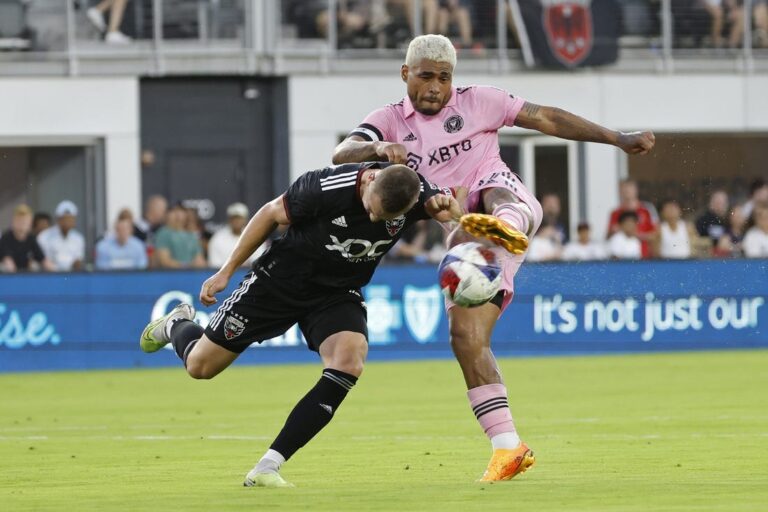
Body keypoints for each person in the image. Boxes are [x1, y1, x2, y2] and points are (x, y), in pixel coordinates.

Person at [332, 34, 655, 481]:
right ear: (406, 74)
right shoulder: (387, 120)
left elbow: (546, 118)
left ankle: (506, 223)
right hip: (469, 250)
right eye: (426, 76)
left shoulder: (480, 101)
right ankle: (508, 447)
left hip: (505, 209)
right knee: (465, 338)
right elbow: (341, 153)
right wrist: (378, 149)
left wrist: (617, 138)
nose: (435, 87)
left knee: (491, 192)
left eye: (444, 78)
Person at [138, 163, 463, 487]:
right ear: (370, 180)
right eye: (370, 209)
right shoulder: (324, 187)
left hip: (336, 292)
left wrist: (454, 219)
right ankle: (177, 323)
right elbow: (269, 213)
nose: (373, 219)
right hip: (279, 282)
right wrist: (226, 271)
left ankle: (267, 467)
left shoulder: (421, 195)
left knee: (349, 360)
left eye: (383, 218)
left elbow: (457, 216)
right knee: (200, 367)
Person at [607, 180, 657, 258]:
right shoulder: (615, 213)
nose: (627, 192)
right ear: (620, 192)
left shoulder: (647, 210)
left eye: (629, 189)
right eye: (624, 189)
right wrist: (615, 231)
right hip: (622, 258)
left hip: (645, 257)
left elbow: (656, 235)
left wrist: (636, 235)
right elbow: (608, 236)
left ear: (636, 190)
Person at [208, 203, 268, 268]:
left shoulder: (255, 236)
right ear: (229, 220)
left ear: (245, 219)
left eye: (239, 218)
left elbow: (259, 261)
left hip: (248, 273)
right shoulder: (217, 238)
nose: (236, 221)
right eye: (233, 218)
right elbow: (215, 266)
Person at [0, 204, 54, 273]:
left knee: (35, 266)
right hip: (9, 275)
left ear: (30, 223)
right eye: (19, 220)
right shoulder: (6, 237)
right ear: (13, 221)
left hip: (26, 275)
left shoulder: (31, 238)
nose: (22, 223)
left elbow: (43, 260)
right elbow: (8, 262)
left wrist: (55, 271)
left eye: (25, 220)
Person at [153, 204, 207, 269]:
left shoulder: (191, 235)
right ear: (167, 215)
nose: (177, 214)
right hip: (171, 274)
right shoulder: (163, 233)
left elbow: (199, 260)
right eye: (173, 211)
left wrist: (199, 264)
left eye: (181, 211)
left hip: (192, 274)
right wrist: (188, 265)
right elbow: (165, 261)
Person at [37, 200, 86, 271]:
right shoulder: (44, 236)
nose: (68, 222)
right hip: (49, 275)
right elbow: (42, 261)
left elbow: (78, 261)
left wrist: (77, 264)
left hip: (72, 276)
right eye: (65, 218)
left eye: (71, 219)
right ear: (58, 219)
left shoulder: (79, 238)